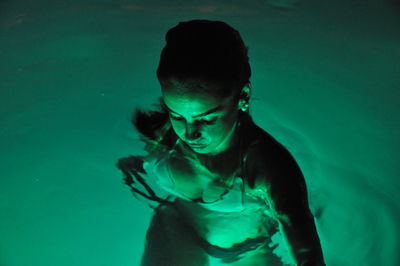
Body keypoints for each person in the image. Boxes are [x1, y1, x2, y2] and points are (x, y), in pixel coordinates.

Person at [117, 19, 326, 266]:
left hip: (246, 252)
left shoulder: (267, 169)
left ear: (243, 96)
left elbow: (308, 257)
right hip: (175, 229)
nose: (189, 132)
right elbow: (157, 151)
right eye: (176, 114)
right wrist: (141, 164)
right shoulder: (167, 132)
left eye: (207, 119)